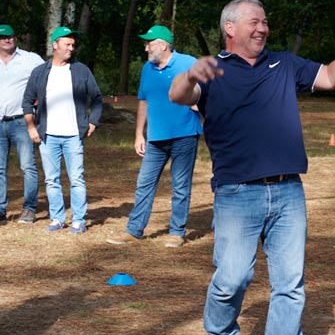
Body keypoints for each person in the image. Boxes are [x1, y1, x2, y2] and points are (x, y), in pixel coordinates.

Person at [169, 0, 335, 335]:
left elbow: (333, 77)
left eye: (265, 23)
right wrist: (191, 74)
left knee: (290, 283)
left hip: (288, 189)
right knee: (233, 278)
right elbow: (177, 96)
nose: (263, 29)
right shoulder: (212, 70)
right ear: (231, 28)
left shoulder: (284, 64)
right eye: (254, 22)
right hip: (237, 193)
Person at [106, 25, 202, 248]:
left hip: (184, 135)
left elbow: (209, 90)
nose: (146, 47)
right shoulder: (147, 69)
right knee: (144, 183)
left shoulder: (189, 63)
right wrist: (139, 133)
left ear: (163, 45)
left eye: (149, 43)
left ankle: (177, 232)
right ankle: (134, 230)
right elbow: (143, 101)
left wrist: (201, 104)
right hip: (155, 138)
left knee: (180, 185)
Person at [22, 27, 103, 234]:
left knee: (76, 178)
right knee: (51, 179)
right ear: (55, 45)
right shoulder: (40, 72)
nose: (71, 48)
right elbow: (27, 101)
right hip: (48, 135)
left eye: (73, 45)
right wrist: (32, 127)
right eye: (67, 44)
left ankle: (78, 220)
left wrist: (92, 122)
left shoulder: (81, 70)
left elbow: (97, 98)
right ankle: (57, 218)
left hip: (74, 135)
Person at [0, 24, 44, 223]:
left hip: (21, 121)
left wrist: (39, 97)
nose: (6, 40)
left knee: (27, 166)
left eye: (10, 36)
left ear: (15, 38)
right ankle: (0, 210)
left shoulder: (30, 59)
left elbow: (48, 76)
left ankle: (29, 208)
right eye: (2, 37)